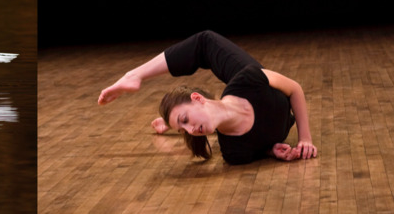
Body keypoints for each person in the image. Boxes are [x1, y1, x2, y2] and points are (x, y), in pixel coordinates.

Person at [97, 30, 318, 165]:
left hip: (251, 89)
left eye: (185, 121)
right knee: (209, 121)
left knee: (205, 42)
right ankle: (169, 121)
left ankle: (134, 75)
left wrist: (304, 138)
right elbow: (257, 147)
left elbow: (294, 89)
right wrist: (271, 151)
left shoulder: (249, 81)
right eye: (183, 130)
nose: (191, 130)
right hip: (236, 105)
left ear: (197, 98)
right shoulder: (234, 153)